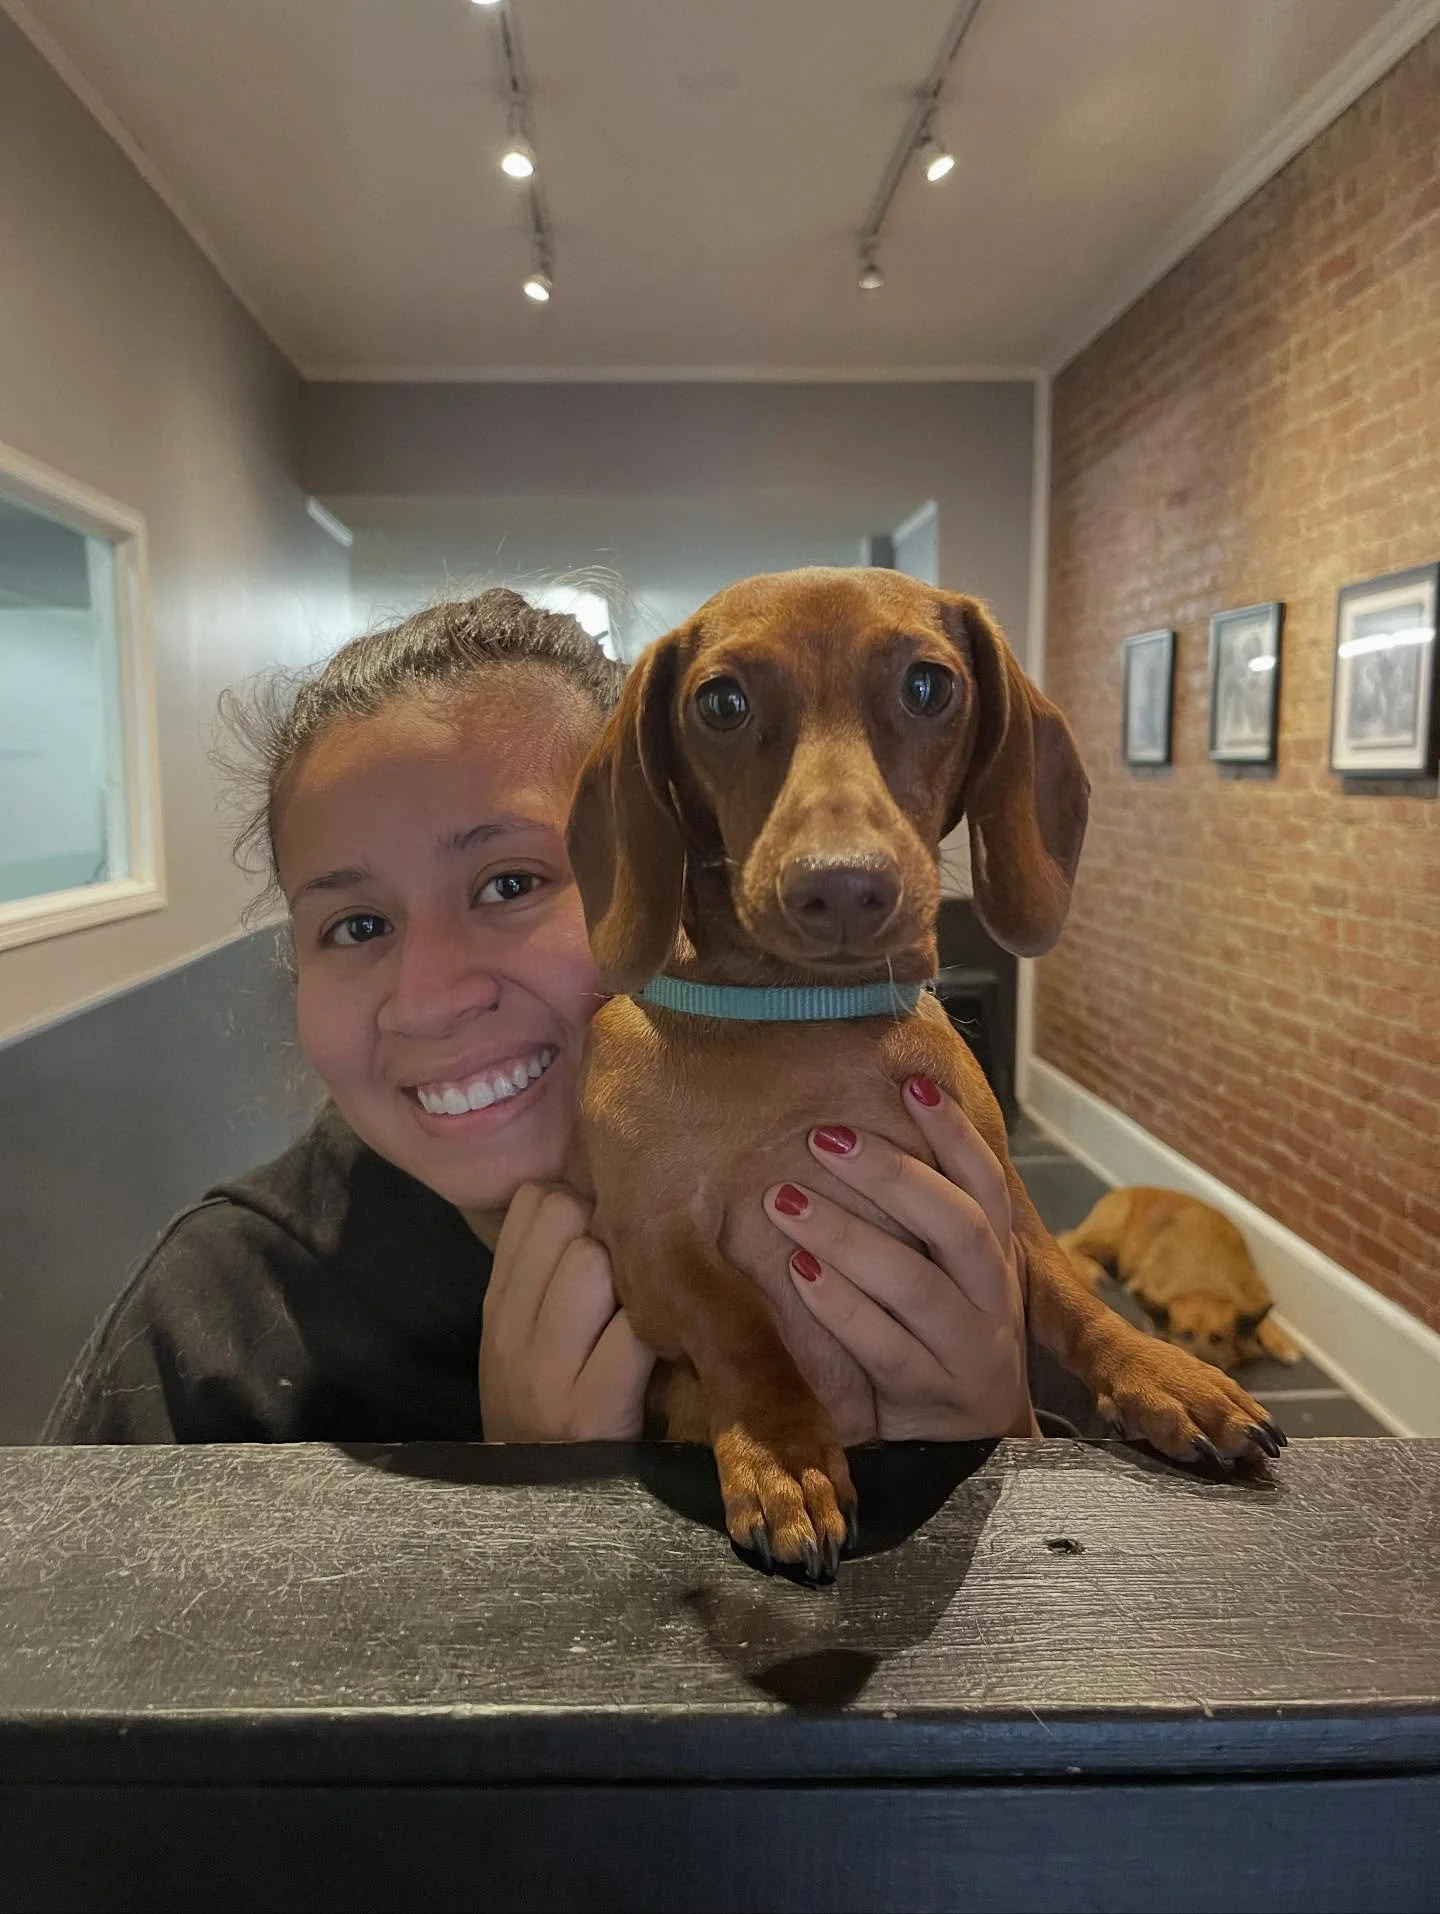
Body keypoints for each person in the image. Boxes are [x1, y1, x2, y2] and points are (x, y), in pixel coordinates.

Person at [45, 590, 1040, 1446]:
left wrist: (993, 1445)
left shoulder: (916, 1218)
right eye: (354, 925)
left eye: (511, 882)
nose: (431, 997)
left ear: (677, 869)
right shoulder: (207, 1325)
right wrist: (529, 1506)